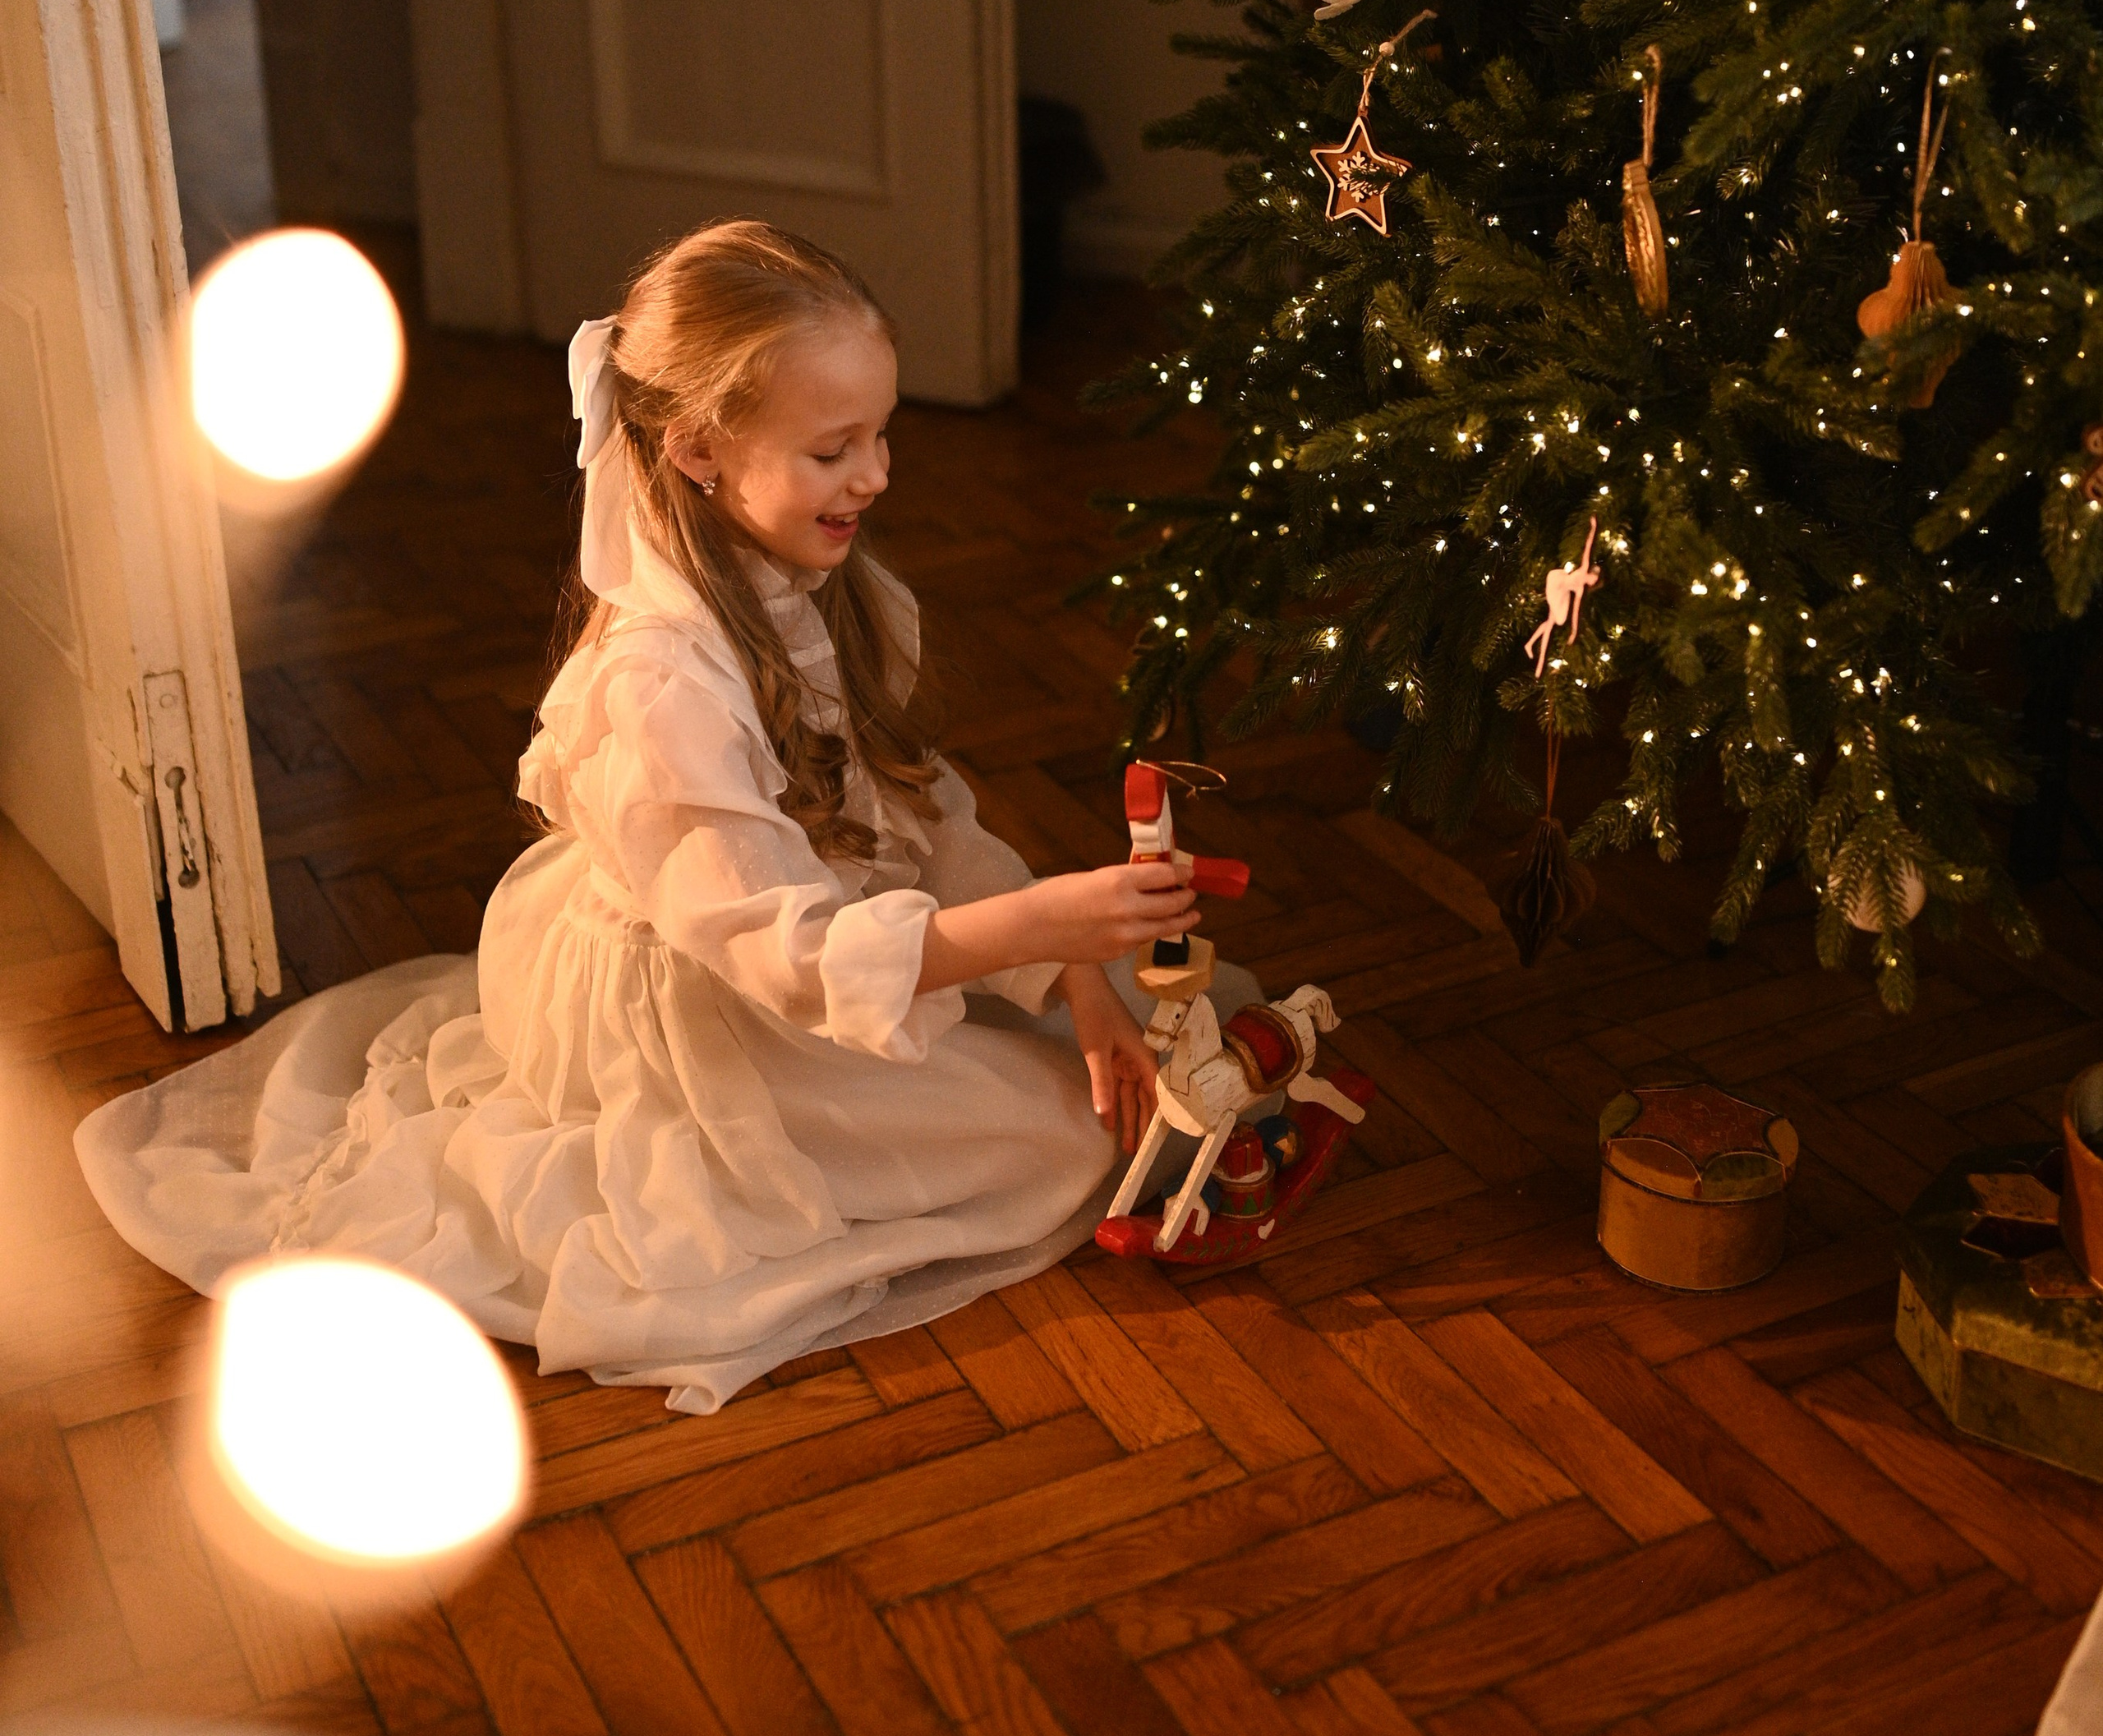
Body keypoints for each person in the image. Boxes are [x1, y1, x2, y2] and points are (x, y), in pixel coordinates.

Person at [78, 221, 1254, 1412]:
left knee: (1106, 1059)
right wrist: (1039, 926)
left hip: (799, 931)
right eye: (835, 448)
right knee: (1063, 1140)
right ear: (696, 450)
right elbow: (783, 958)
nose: (878, 476)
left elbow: (916, 816)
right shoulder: (660, 690)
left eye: (882, 436)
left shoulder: (830, 593)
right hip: (707, 994)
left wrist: (1075, 978)